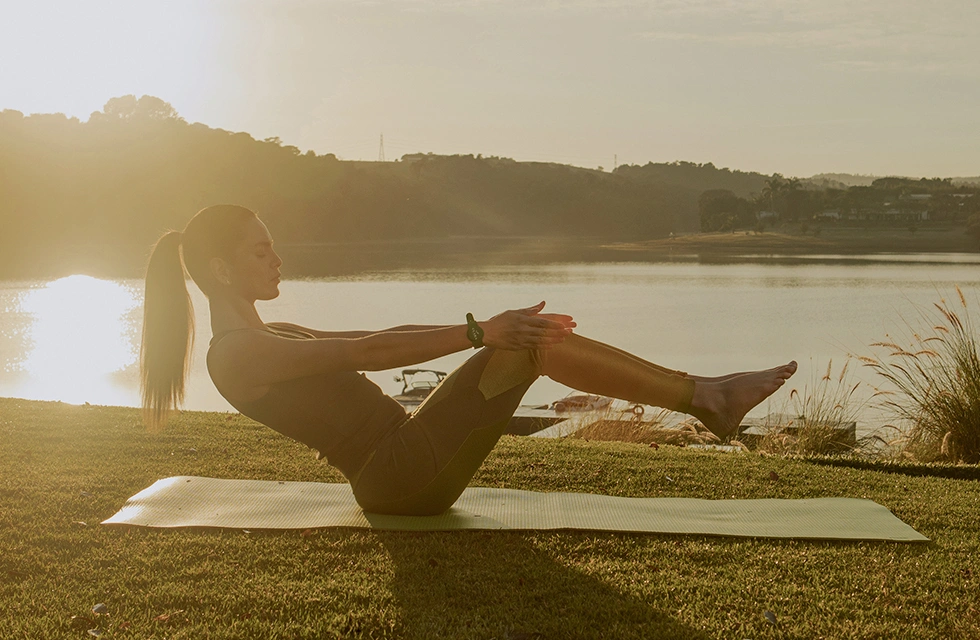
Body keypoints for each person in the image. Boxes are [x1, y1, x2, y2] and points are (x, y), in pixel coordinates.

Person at [141, 205, 796, 516]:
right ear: (222, 268)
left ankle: (705, 394)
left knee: (528, 339)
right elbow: (370, 353)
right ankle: (707, 397)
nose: (277, 260)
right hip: (399, 476)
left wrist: (483, 330)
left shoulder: (271, 334)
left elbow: (380, 334)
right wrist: (481, 333)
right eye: (261, 251)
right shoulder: (238, 353)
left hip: (405, 459)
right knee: (528, 344)